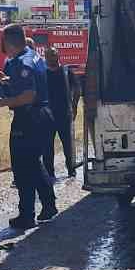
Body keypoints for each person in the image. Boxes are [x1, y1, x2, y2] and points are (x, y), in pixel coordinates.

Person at [0, 24, 57, 232]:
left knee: (22, 167)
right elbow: (24, 85)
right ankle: (48, 206)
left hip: (30, 117)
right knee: (33, 163)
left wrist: (1, 103)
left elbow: (28, 95)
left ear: (8, 42)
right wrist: (5, 81)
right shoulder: (30, 56)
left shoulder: (23, 62)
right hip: (39, 116)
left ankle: (27, 215)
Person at [41, 46, 77, 180]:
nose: (52, 57)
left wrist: (74, 106)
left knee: (68, 145)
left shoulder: (67, 71)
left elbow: (77, 88)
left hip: (64, 114)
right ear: (45, 57)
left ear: (58, 55)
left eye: (54, 54)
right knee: (47, 146)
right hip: (47, 115)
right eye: (49, 55)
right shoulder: (42, 73)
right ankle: (49, 173)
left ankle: (71, 170)